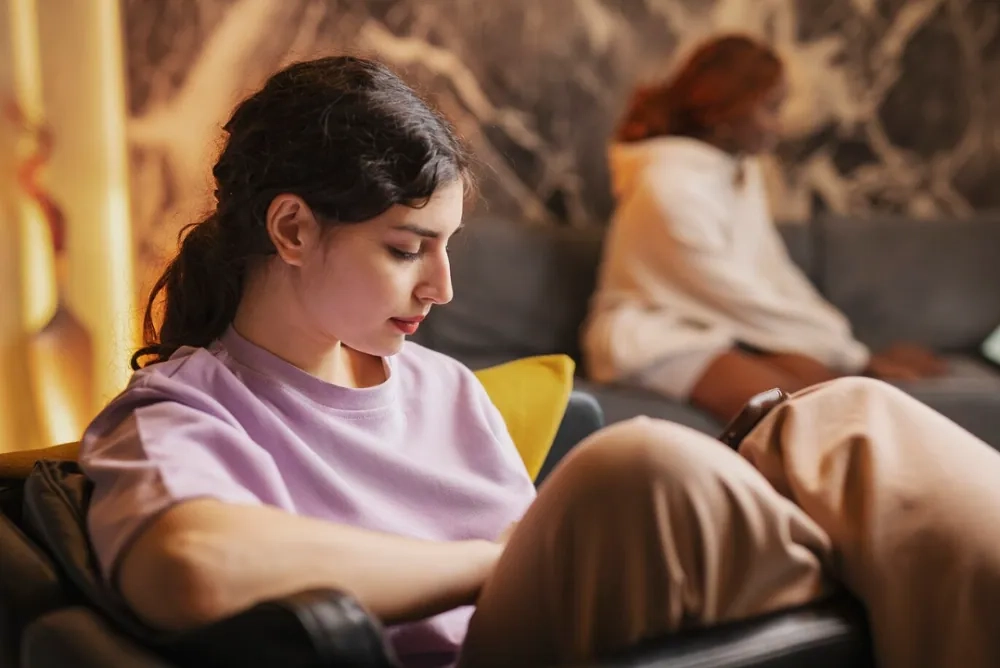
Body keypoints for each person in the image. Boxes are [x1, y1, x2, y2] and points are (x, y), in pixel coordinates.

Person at [79, 55, 1000, 668]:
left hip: (609, 626)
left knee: (848, 414)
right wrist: (495, 558)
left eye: (448, 249)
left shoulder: (446, 390)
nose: (441, 287)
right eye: (407, 249)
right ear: (291, 228)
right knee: (643, 462)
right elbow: (193, 565)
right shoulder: (180, 412)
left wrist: (522, 552)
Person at [581, 34, 947, 423]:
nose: (780, 124)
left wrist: (847, 357)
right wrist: (853, 355)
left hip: (718, 325)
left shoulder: (738, 170)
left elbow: (773, 273)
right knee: (794, 418)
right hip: (654, 338)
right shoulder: (668, 189)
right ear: (724, 112)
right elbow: (737, 296)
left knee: (841, 394)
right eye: (771, 108)